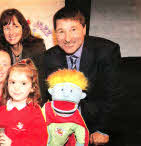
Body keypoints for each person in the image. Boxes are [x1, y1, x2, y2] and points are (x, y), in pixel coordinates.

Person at [37, 7, 121, 145]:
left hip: (96, 127)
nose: (68, 38)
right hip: (61, 129)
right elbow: (44, 97)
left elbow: (113, 96)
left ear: (84, 29)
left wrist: (103, 130)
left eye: (73, 29)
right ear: (55, 34)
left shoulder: (107, 51)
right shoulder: (49, 57)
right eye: (61, 31)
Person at [0, 59, 48, 146]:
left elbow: (40, 142)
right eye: (13, 82)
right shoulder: (1, 111)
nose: (16, 88)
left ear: (32, 87)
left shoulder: (35, 112)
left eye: (23, 83)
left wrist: (13, 143)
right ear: (7, 84)